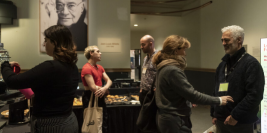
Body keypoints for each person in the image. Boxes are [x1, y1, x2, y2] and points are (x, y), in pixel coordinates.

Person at [1, 25, 79, 133]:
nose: (44, 44)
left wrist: (5, 65)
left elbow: (12, 81)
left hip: (51, 125)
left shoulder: (51, 67)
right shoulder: (72, 66)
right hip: (69, 119)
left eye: (46, 40)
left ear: (55, 43)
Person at [152, 35, 234, 133]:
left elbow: (172, 93)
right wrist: (219, 100)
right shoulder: (172, 70)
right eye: (184, 50)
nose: (185, 54)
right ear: (176, 50)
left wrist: (185, 100)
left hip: (167, 119)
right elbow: (193, 95)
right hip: (175, 120)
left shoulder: (163, 66)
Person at [210, 25, 265, 133]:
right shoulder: (222, 65)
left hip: (240, 122)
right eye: (222, 40)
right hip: (221, 121)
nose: (223, 44)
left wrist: (236, 116)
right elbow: (216, 90)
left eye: (226, 40)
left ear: (239, 40)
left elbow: (254, 95)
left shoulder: (251, 64)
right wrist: (214, 113)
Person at [81, 45, 112, 133]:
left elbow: (109, 80)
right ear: (91, 53)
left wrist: (105, 88)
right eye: (98, 51)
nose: (100, 53)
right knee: (92, 122)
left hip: (100, 95)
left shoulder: (100, 67)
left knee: (102, 122)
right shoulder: (86, 68)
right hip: (90, 96)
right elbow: (93, 87)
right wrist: (104, 89)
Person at [139, 35, 157, 105]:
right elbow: (144, 74)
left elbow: (162, 74)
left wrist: (157, 88)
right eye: (141, 44)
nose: (141, 47)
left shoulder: (158, 57)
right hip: (143, 92)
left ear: (151, 44)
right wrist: (141, 88)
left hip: (152, 94)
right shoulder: (146, 58)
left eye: (143, 44)